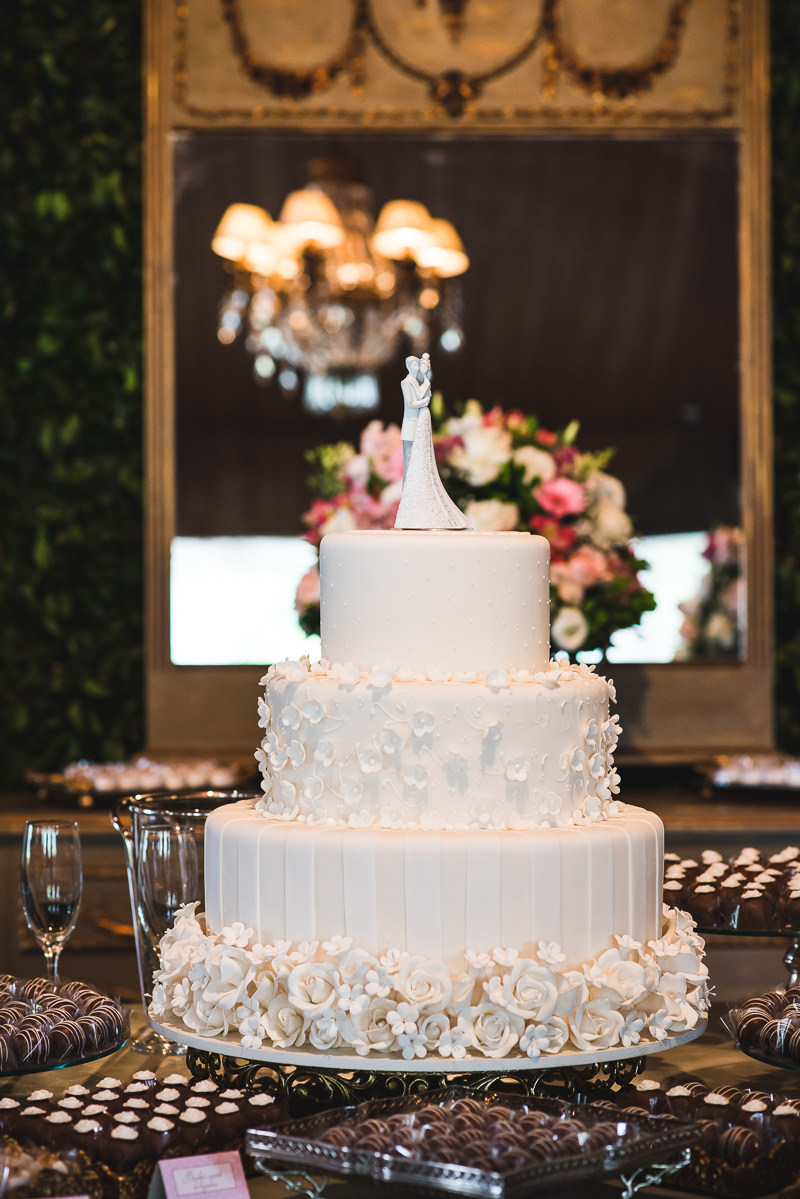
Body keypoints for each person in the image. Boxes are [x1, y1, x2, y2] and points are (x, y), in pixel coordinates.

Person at [394, 354, 471, 531]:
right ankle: (408, 507)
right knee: (408, 467)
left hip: (420, 424)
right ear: (407, 366)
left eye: (417, 364)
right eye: (412, 364)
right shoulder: (406, 383)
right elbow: (411, 403)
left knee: (419, 464)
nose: (415, 367)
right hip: (410, 426)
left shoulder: (420, 382)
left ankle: (413, 508)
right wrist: (425, 401)